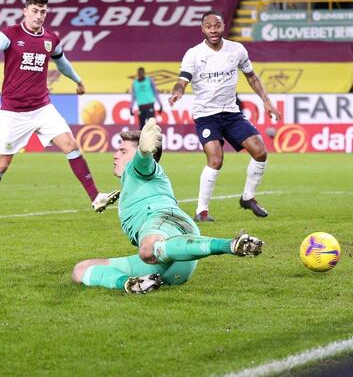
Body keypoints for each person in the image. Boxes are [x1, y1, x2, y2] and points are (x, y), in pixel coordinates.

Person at [71, 119, 264, 294]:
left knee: (147, 249)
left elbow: (143, 163)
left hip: (167, 224)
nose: (115, 155)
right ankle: (131, 284)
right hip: (169, 263)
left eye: (123, 151)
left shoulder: (141, 167)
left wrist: (144, 153)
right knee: (80, 270)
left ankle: (231, 244)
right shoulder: (134, 180)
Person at [0, 0, 117, 220]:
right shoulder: (10, 34)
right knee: (2, 164)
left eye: (43, 12)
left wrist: (77, 81)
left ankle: (95, 196)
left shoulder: (51, 39)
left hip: (42, 107)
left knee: (70, 144)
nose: (39, 16)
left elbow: (63, 63)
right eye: (35, 11)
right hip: (14, 112)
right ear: (25, 11)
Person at [168, 11, 281, 222]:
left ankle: (248, 197)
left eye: (217, 25)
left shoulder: (237, 49)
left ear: (223, 27)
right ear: (203, 29)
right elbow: (182, 81)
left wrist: (266, 101)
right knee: (216, 159)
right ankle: (202, 210)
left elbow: (252, 77)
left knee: (260, 151)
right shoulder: (193, 54)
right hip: (206, 115)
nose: (213, 29)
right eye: (208, 26)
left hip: (231, 113)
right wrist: (178, 92)